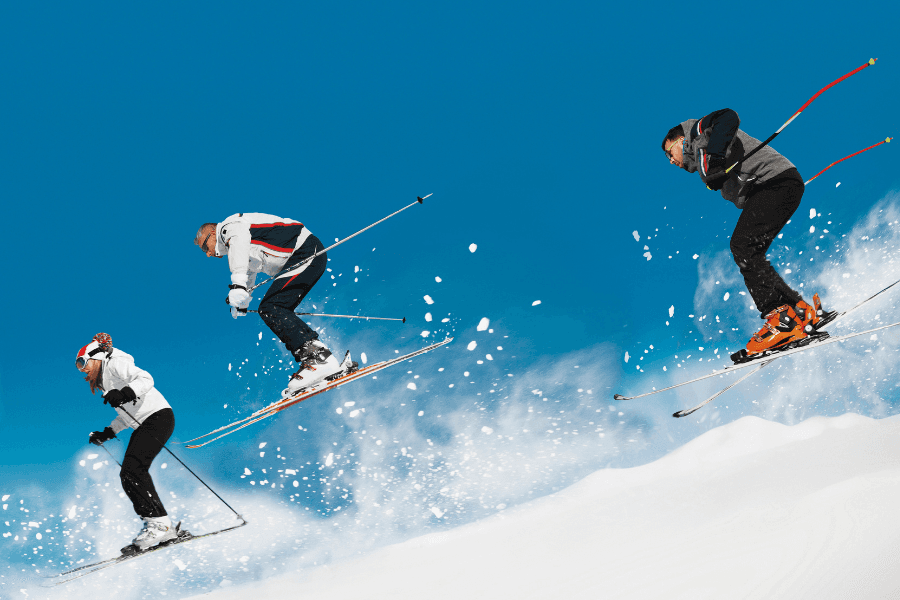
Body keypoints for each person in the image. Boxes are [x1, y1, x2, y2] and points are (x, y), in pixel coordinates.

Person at [661, 109, 835, 363]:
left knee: (742, 246)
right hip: (778, 185)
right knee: (749, 250)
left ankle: (781, 320)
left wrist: (715, 161)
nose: (670, 161)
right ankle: (798, 311)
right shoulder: (702, 155)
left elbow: (726, 117)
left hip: (775, 183)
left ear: (680, 140)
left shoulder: (699, 133)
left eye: (669, 153)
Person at [194, 213, 346, 396]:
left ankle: (319, 359)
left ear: (213, 232)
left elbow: (239, 244)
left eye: (205, 247)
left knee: (271, 307)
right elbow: (248, 269)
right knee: (273, 307)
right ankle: (318, 357)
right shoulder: (237, 248)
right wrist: (243, 298)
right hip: (301, 256)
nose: (208, 254)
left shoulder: (230, 227)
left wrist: (238, 285)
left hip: (304, 251)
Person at [77, 333, 177, 551]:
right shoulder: (106, 381)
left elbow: (146, 379)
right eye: (78, 366)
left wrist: (125, 393)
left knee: (133, 470)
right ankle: (162, 526)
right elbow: (126, 415)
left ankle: (159, 524)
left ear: (96, 357)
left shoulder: (116, 364)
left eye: (82, 363)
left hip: (157, 417)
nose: (82, 369)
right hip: (146, 422)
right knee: (130, 473)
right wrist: (108, 432)